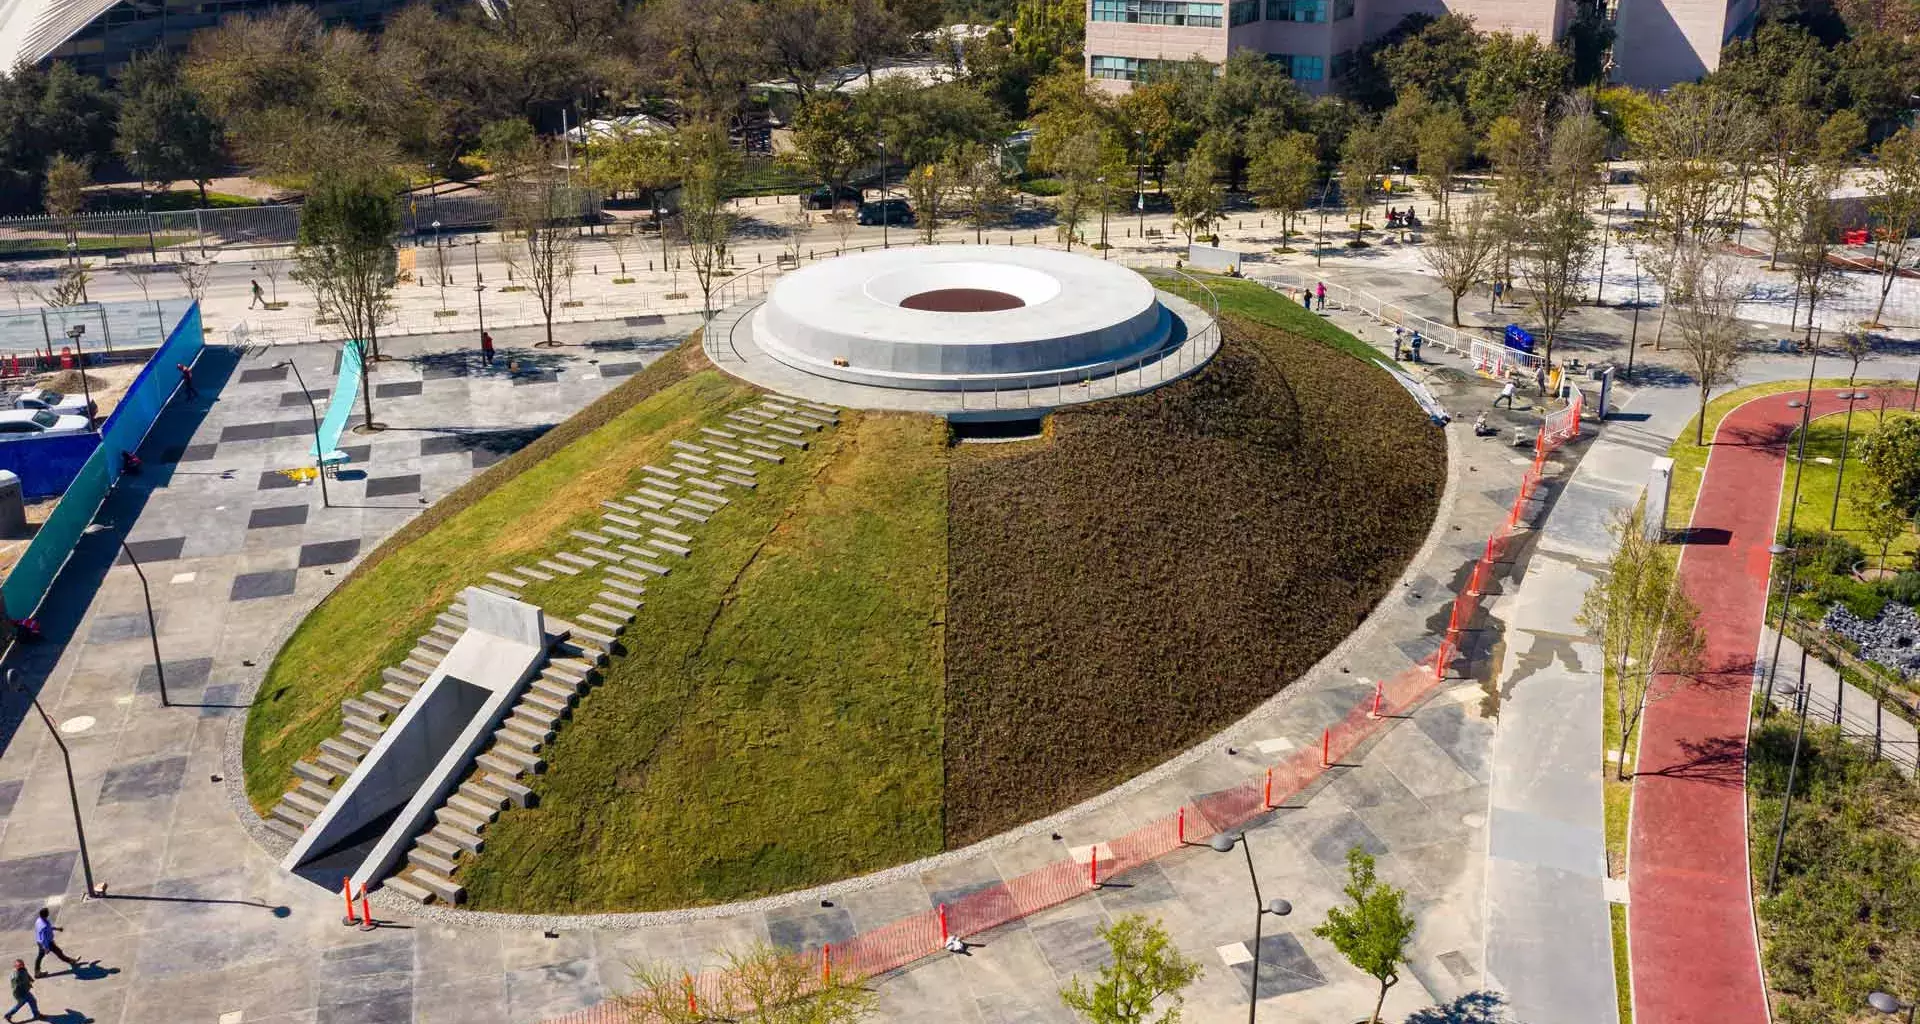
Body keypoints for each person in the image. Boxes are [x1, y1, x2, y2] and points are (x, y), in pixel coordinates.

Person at [32, 909, 74, 978]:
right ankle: (71, 961)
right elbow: (43, 938)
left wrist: (57, 928)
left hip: (41, 942)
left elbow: (48, 928)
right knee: (58, 952)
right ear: (46, 915)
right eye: (48, 913)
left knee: (40, 957)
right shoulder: (44, 925)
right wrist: (46, 948)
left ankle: (37, 972)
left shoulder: (39, 920)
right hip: (46, 943)